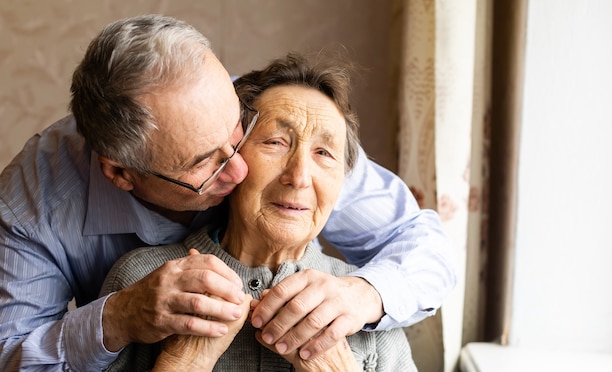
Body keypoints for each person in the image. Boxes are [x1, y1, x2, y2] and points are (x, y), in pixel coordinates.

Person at [0, 14, 455, 371]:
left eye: (239, 133)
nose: (240, 167)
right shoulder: (33, 204)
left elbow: (424, 244)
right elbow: (10, 357)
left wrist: (365, 295)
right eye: (206, 162)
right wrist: (120, 320)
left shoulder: (272, 119)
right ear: (121, 174)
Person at [101, 52, 417, 371]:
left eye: (324, 152)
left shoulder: (364, 308)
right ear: (231, 158)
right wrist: (184, 361)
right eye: (276, 142)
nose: (299, 177)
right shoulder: (143, 281)